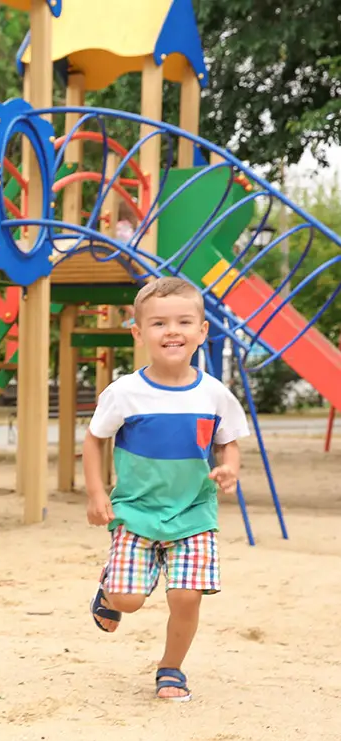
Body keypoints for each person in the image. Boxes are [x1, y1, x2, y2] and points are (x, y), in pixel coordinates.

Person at [84, 276, 248, 702]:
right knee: (128, 600)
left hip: (194, 513)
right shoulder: (124, 393)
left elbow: (228, 442)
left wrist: (229, 469)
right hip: (136, 512)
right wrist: (96, 493)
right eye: (158, 324)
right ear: (138, 333)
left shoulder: (215, 394)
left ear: (202, 331)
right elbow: (94, 438)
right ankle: (109, 589)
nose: (172, 331)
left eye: (183, 321)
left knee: (186, 596)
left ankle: (171, 668)